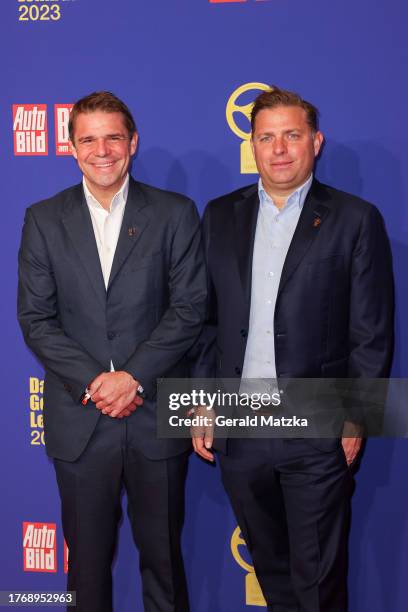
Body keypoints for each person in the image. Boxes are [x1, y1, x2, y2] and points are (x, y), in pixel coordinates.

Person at [192, 86, 394, 611]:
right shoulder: (219, 215)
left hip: (318, 424)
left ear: (316, 142)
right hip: (240, 423)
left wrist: (358, 419)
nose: (279, 148)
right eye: (266, 137)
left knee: (318, 583)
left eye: (292, 135)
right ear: (252, 146)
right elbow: (204, 320)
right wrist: (199, 402)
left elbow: (372, 332)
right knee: (273, 573)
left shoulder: (355, 219)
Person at [18, 91, 206, 612]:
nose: (102, 150)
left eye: (113, 137)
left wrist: (133, 377)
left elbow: (190, 308)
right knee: (85, 571)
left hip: (153, 418)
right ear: (72, 148)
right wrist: (97, 383)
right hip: (81, 421)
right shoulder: (42, 218)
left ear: (133, 143)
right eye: (89, 139)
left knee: (165, 563)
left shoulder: (173, 213)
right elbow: (36, 318)